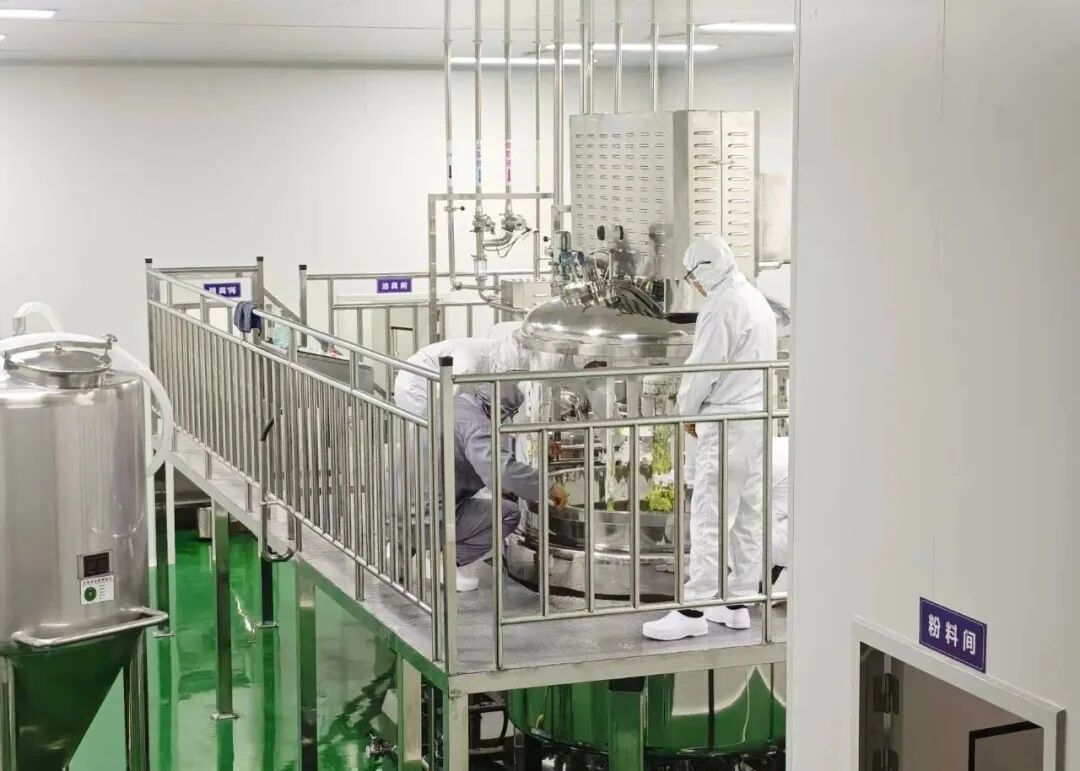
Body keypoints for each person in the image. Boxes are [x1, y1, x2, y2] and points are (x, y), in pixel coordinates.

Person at [642, 234, 778, 641]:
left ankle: (693, 610)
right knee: (748, 515)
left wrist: (685, 410)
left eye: (692, 276)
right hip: (758, 420)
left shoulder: (721, 306)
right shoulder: (755, 299)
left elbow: (703, 367)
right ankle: (737, 604)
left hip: (726, 422)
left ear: (704, 270)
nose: (694, 285)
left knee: (710, 515)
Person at [452, 382, 567, 590]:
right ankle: (447, 562)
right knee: (508, 514)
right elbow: (502, 470)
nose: (508, 420)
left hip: (403, 501)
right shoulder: (477, 426)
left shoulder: (458, 405)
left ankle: (415, 552)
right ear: (499, 409)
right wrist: (548, 487)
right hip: (430, 513)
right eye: (508, 414)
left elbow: (495, 448)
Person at [393, 335, 529, 417]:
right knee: (429, 431)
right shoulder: (470, 364)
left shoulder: (494, 350)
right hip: (417, 384)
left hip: (425, 379)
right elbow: (448, 401)